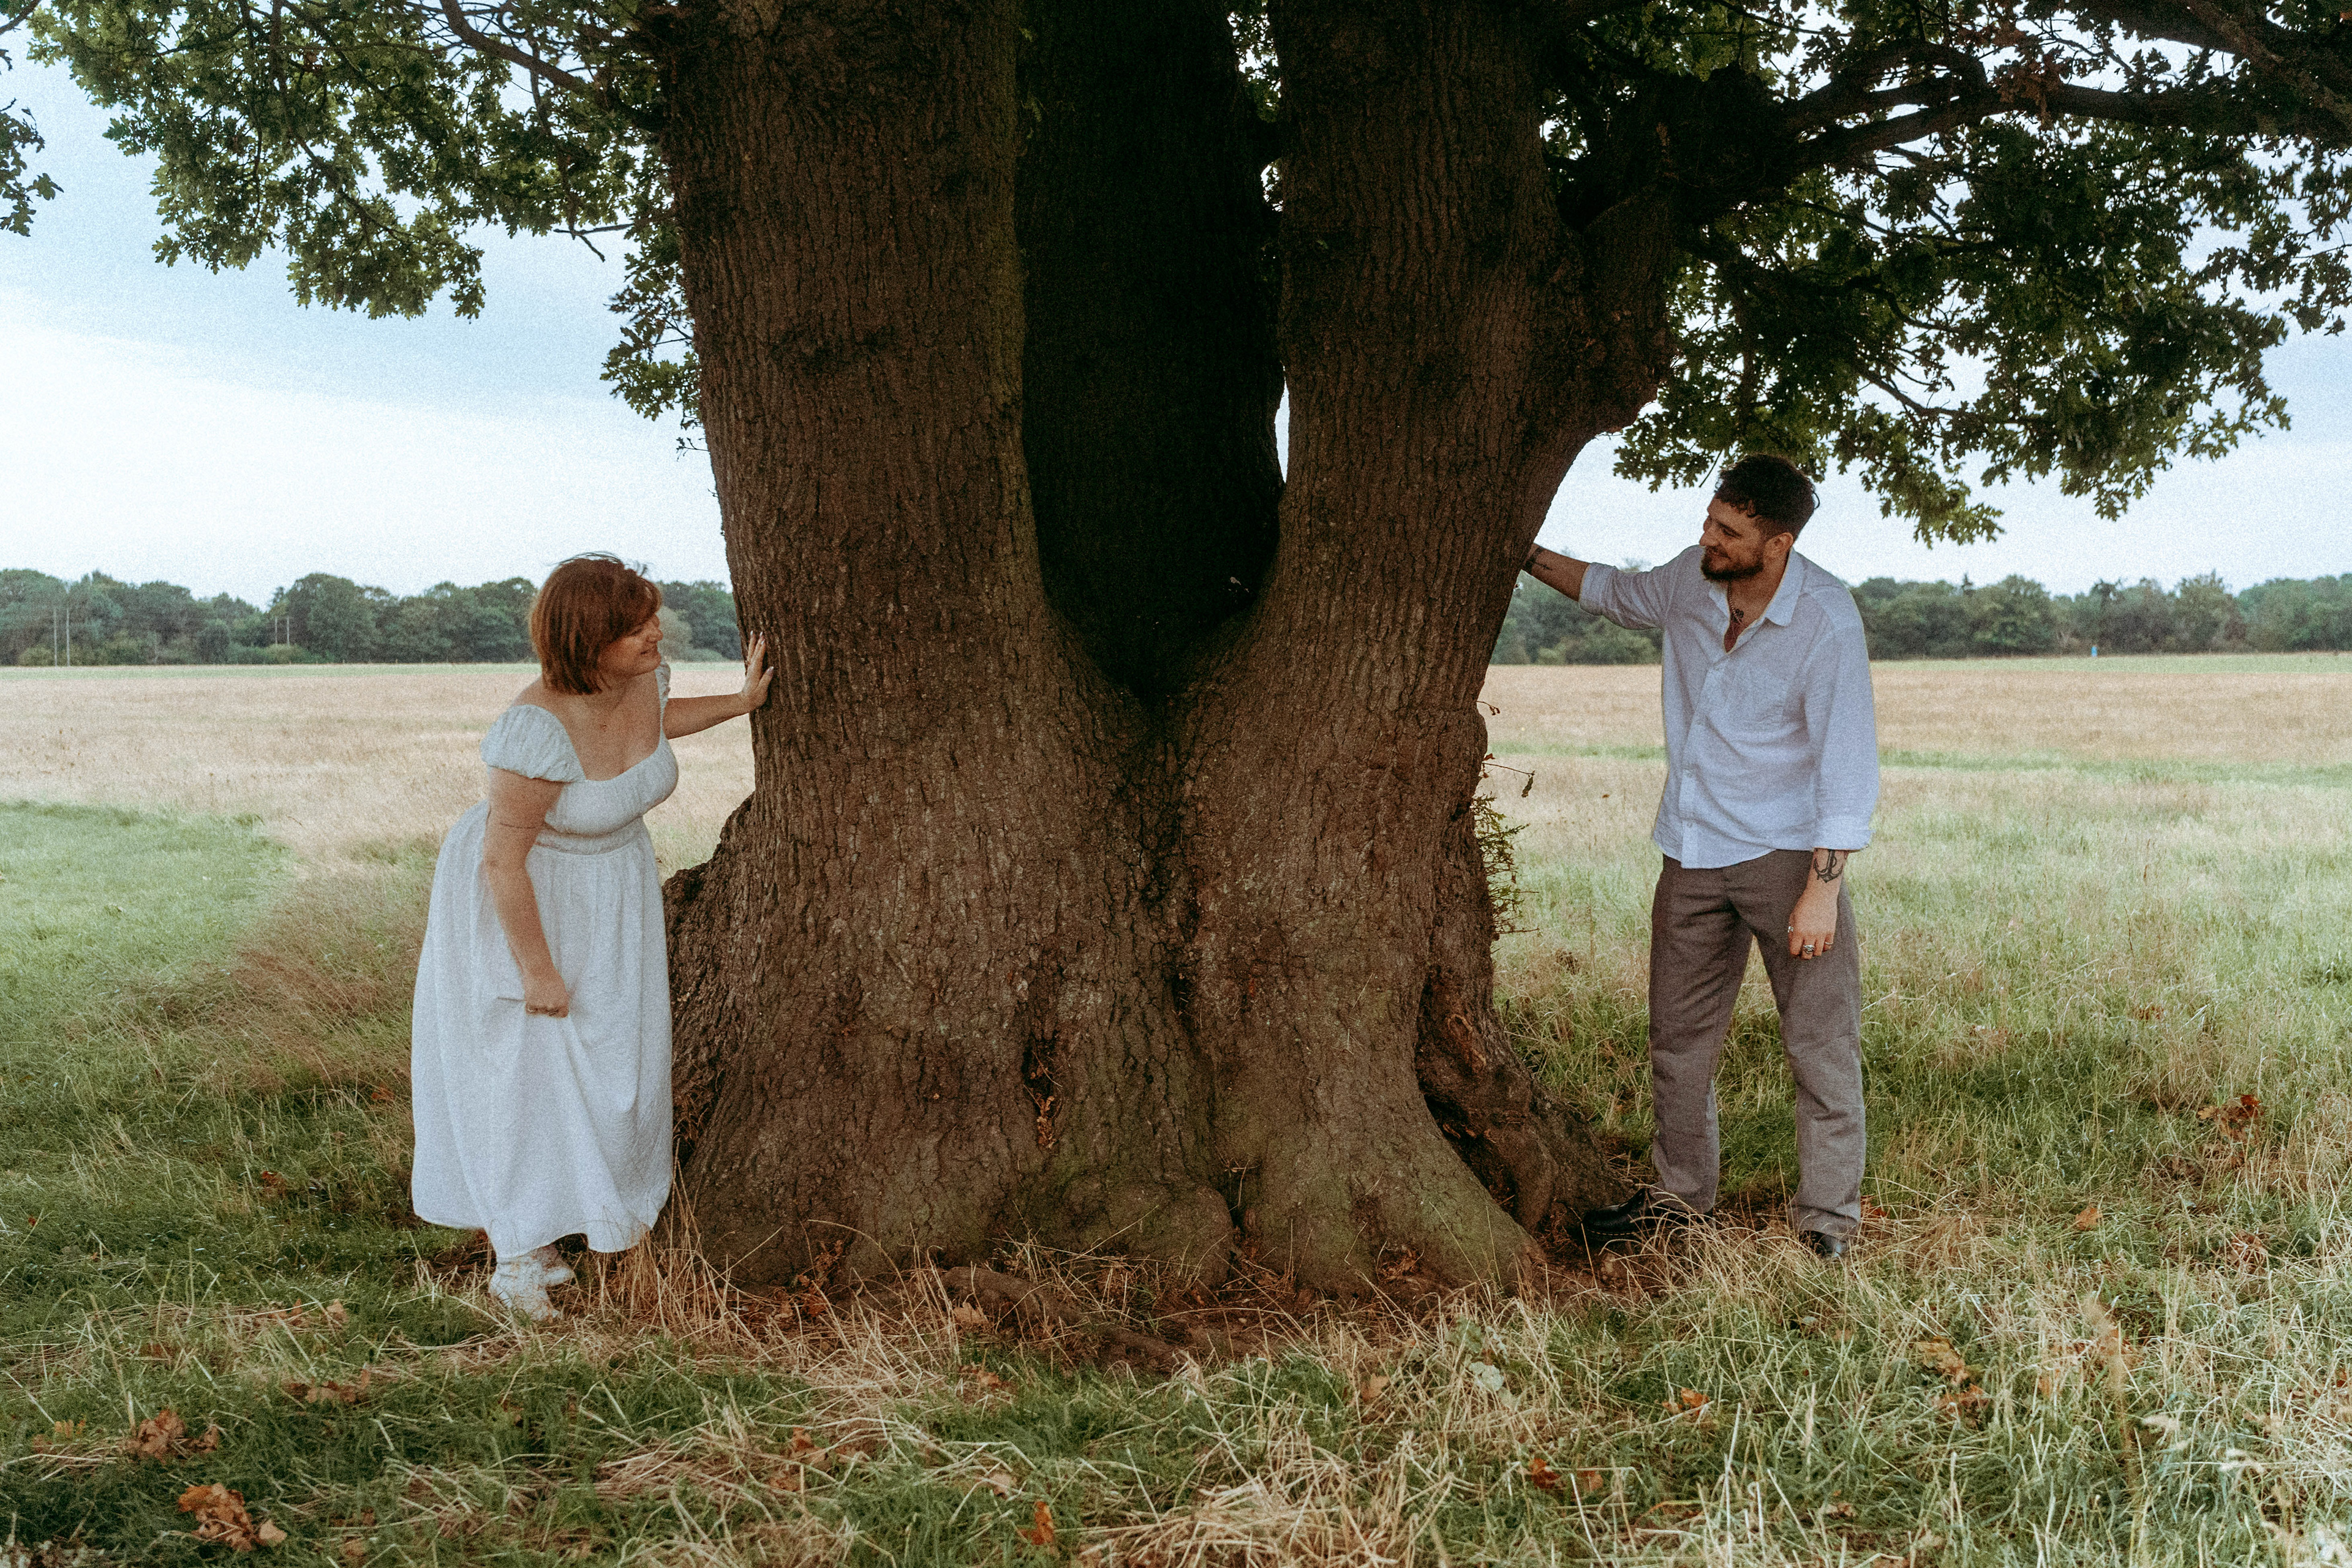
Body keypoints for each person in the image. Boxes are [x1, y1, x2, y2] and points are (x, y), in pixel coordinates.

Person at [1521, 454, 1879, 1259]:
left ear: (1778, 545)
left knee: (1820, 1044)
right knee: (1678, 1044)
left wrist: (1822, 891)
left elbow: (1847, 762)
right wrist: (1521, 549)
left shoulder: (1825, 620)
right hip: (1690, 849)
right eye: (1710, 520)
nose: (1708, 538)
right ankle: (1678, 1203)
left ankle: (1828, 1221)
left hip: (1789, 857)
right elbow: (1612, 592)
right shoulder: (1691, 579)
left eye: (1730, 531)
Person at [410, 555, 772, 1318]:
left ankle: (583, 1212)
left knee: (611, 1064)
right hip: (530, 898)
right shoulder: (534, 729)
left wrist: (741, 702)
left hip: (615, 894)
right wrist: (536, 971)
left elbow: (655, 727)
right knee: (528, 1071)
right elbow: (502, 861)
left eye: (652, 618)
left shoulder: (641, 681)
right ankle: (518, 1254)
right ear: (588, 639)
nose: (656, 633)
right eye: (636, 626)